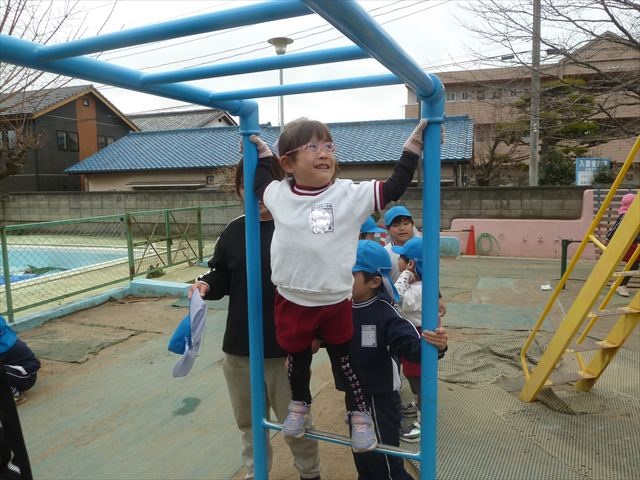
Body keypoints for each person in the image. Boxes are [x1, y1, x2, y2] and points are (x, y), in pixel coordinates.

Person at [251, 117, 428, 452]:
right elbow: (260, 183)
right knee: (297, 360)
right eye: (312, 147)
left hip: (334, 299)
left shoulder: (348, 194)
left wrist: (414, 147)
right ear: (287, 163)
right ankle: (299, 404)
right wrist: (261, 155)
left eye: (329, 146)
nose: (324, 153)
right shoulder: (279, 194)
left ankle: (359, 414)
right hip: (291, 297)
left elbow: (392, 187)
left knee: (345, 361)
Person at [189, 159, 321, 480]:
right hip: (240, 348)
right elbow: (222, 273)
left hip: (286, 350)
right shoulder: (235, 230)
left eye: (262, 187)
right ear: (238, 191)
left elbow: (317, 284)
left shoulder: (296, 228)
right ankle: (256, 473)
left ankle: (310, 473)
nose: (256, 196)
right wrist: (206, 284)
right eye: (246, 188)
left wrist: (316, 334)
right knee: (249, 424)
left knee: (296, 423)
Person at [344, 240, 447, 479]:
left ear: (374, 282)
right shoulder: (343, 307)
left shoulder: (386, 314)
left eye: (350, 274)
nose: (342, 278)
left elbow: (410, 346)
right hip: (354, 394)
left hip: (380, 398)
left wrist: (437, 346)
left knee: (385, 462)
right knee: (362, 456)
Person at [391, 237, 447, 443]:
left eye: (402, 258)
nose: (398, 261)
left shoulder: (419, 289)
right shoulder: (423, 285)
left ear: (412, 264)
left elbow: (396, 296)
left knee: (418, 378)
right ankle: (418, 404)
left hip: (419, 335)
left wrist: (405, 274)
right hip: (416, 332)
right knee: (413, 375)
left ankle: (423, 423)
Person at [0, 315, 40, 405]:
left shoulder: (5, 344)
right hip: (16, 373)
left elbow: (35, 364)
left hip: (25, 378)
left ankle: (15, 396)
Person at [606, 193, 639, 297]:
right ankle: (620, 284)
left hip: (632, 243)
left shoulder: (635, 215)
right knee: (634, 263)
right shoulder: (625, 216)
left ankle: (620, 284)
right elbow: (615, 228)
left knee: (634, 264)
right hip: (625, 244)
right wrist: (607, 239)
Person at [384, 205, 419, 282]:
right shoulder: (385, 253)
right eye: (395, 225)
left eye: (406, 223)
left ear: (412, 225)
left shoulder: (423, 249)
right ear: (388, 229)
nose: (402, 228)